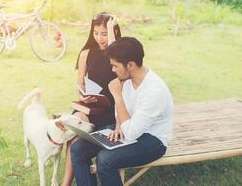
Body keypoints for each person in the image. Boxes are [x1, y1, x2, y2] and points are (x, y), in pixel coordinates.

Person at [70, 37, 174, 186]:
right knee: (78, 149)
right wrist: (118, 125)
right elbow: (122, 114)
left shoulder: (154, 91)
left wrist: (117, 96)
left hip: (153, 139)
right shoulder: (126, 79)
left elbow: (132, 132)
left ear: (130, 65)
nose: (112, 70)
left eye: (115, 66)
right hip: (128, 127)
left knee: (105, 160)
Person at [61, 12, 122, 186]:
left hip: (112, 110)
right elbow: (80, 84)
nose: (99, 38)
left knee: (77, 140)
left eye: (104, 33)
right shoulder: (86, 53)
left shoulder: (118, 55)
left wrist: (111, 27)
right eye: (96, 33)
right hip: (91, 107)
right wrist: (83, 96)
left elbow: (114, 52)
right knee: (73, 133)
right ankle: (66, 183)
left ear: (114, 33)